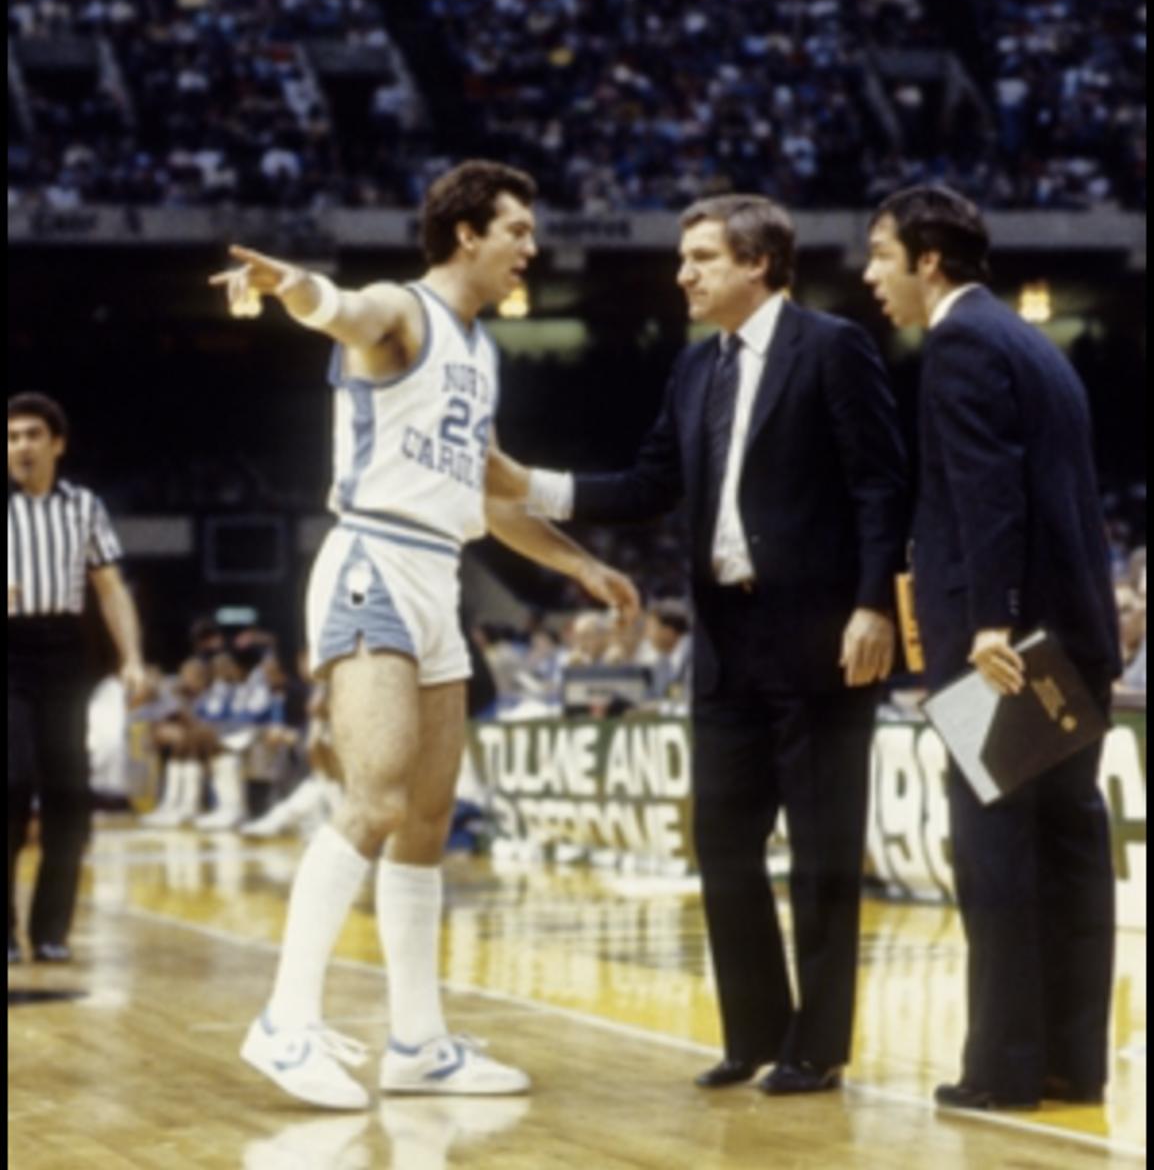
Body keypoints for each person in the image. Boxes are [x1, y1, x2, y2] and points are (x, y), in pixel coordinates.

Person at [210, 159, 638, 1109]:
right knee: (373, 799)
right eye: (517, 230)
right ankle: (284, 1021)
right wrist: (294, 287)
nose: (531, 247)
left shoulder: (481, 354)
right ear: (466, 235)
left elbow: (491, 488)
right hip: (372, 560)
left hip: (439, 574)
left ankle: (418, 1042)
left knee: (427, 821)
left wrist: (579, 564)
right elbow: (345, 311)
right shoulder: (401, 311)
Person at [499, 195, 909, 1094]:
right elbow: (649, 484)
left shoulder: (833, 347)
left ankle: (818, 1045)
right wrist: (531, 485)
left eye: (701, 257)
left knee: (822, 847)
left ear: (757, 263)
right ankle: (754, 1032)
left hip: (824, 636)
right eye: (684, 258)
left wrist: (876, 605)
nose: (682, 273)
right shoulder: (694, 369)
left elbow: (883, 487)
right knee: (722, 841)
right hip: (725, 641)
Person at [863, 184, 1120, 1110]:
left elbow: (988, 493)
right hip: (1077, 638)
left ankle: (1003, 1070)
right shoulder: (1031, 342)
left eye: (882, 255)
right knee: (1069, 851)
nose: (869, 275)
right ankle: (1070, 1063)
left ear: (929, 259)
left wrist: (989, 622)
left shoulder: (963, 341)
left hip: (1008, 650)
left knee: (996, 853)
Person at [8, 392, 147, 964]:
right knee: (11, 781)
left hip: (63, 650)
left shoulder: (84, 506)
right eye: (12, 436)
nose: (21, 446)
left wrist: (132, 658)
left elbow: (110, 589)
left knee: (69, 794)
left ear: (57, 444)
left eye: (32, 435)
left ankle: (49, 931)